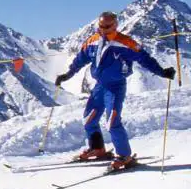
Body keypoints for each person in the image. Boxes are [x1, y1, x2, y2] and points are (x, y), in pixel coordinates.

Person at [55, 11, 176, 170]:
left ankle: (124, 156)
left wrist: (162, 72)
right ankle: (97, 148)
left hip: (115, 86)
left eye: (108, 26)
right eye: (101, 26)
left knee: (112, 122)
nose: (104, 29)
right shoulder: (92, 41)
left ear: (115, 25)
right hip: (100, 86)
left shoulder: (125, 42)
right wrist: (67, 75)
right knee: (89, 119)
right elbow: (80, 60)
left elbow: (144, 58)